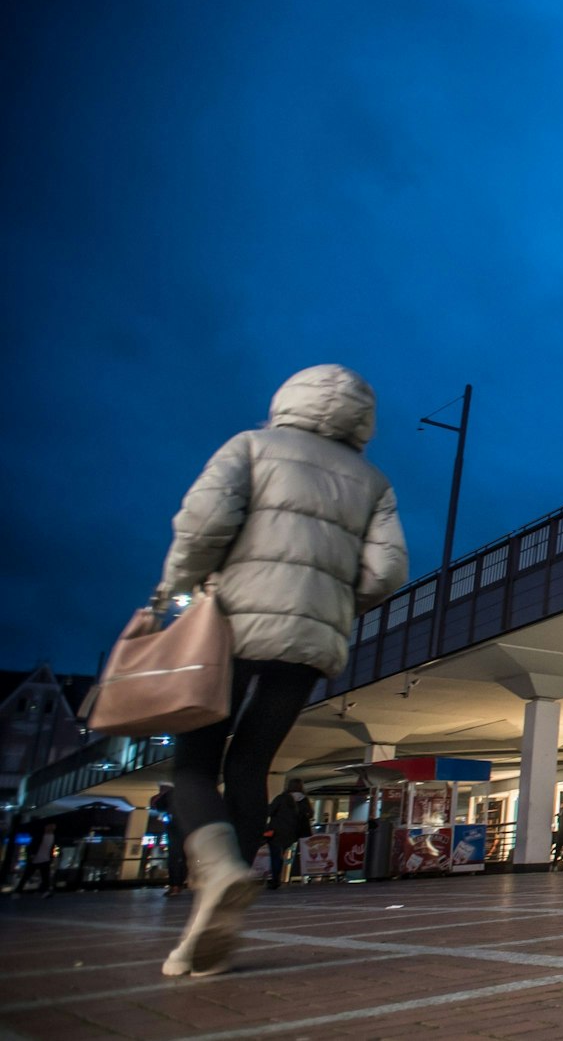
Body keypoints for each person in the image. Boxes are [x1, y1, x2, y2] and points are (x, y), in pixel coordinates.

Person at [154, 365, 408, 976]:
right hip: (309, 640)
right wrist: (333, 603)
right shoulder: (372, 482)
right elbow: (388, 572)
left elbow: (204, 523)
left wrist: (174, 585)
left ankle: (214, 874)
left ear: (288, 401)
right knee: (251, 765)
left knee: (194, 763)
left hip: (230, 625)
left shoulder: (251, 446)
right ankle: (217, 913)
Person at [264, 778, 314, 889]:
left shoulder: (281, 798)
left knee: (275, 855)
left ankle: (275, 879)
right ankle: (284, 877)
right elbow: (310, 814)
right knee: (284, 854)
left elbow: (270, 811)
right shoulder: (304, 800)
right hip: (293, 833)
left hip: (277, 831)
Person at [150, 783, 188, 897]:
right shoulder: (189, 795)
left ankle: (175, 885)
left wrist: (160, 796)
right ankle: (179, 883)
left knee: (174, 856)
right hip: (189, 828)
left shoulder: (169, 796)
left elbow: (157, 805)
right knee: (184, 856)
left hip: (175, 828)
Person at [11, 825, 58, 897]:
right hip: (36, 859)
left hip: (45, 859)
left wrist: (51, 857)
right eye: (50, 826)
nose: (51, 828)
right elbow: (32, 846)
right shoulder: (39, 836)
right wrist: (31, 855)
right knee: (27, 876)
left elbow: (52, 848)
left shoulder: (53, 837)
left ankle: (46, 891)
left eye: (53, 827)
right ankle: (18, 891)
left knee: (45, 877)